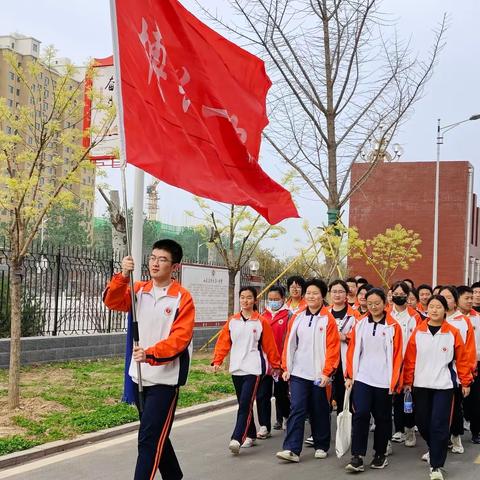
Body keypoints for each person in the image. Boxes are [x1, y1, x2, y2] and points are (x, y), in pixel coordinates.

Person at [103, 239, 195, 480]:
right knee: (155, 435)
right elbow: (112, 301)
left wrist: (151, 353)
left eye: (162, 259)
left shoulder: (182, 298)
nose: (155, 263)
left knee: (148, 440)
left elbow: (180, 339)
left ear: (174, 266)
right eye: (153, 257)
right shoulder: (138, 289)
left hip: (164, 381)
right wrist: (123, 275)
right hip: (139, 377)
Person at [403, 295, 472, 480]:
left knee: (440, 424)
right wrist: (407, 382)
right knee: (423, 422)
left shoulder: (452, 332)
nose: (434, 310)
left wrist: (465, 382)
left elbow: (462, 359)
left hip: (444, 386)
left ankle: (436, 466)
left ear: (445, 310)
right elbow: (410, 360)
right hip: (421, 385)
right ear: (427, 310)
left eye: (438, 307)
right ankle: (434, 446)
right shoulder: (418, 332)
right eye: (431, 307)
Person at [276, 279, 340, 463]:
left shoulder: (328, 319)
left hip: (319, 374)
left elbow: (333, 348)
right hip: (298, 372)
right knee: (297, 408)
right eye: (309, 293)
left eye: (315, 293)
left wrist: (327, 372)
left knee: (319, 409)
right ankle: (291, 449)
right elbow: (290, 343)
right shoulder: (297, 317)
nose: (311, 296)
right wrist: (286, 367)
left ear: (322, 296)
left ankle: (321, 445)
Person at [212, 286, 281, 455]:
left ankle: (237, 437)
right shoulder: (233, 321)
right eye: (242, 297)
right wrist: (217, 360)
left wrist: (276, 365)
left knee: (245, 403)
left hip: (253, 369)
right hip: (236, 369)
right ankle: (250, 433)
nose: (245, 300)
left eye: (249, 297)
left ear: (255, 300)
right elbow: (224, 342)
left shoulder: (261, 321)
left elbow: (270, 345)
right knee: (244, 403)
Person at [344, 288, 403, 473]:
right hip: (363, 377)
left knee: (382, 418)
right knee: (360, 414)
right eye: (369, 304)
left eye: (377, 303)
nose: (373, 307)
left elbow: (398, 355)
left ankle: (379, 454)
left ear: (385, 303)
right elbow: (353, 350)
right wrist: (349, 375)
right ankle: (357, 456)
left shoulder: (393, 327)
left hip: (384, 380)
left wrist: (395, 382)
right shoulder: (360, 324)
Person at [439, 285, 477, 454]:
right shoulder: (434, 317)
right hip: (434, 374)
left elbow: (468, 351)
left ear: (455, 300)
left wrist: (466, 376)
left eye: (448, 297)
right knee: (437, 412)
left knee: (454, 409)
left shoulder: (463, 321)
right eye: (441, 297)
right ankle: (438, 443)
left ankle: (455, 436)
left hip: (455, 373)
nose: (445, 300)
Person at [388, 281, 422, 447]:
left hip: (408, 362)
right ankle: (398, 429)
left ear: (408, 296)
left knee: (407, 397)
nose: (399, 297)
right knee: (392, 398)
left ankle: (409, 428)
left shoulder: (415, 317)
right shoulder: (387, 314)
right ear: (391, 294)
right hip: (389, 363)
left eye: (402, 294)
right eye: (396, 294)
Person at [256, 286, 291, 437]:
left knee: (281, 394)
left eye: (276, 299)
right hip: (264, 362)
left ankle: (285, 416)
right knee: (262, 395)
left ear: (283, 298)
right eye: (270, 299)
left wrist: (285, 362)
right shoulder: (262, 316)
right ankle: (264, 425)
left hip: (280, 363)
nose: (273, 302)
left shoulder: (289, 316)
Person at [327, 279, 359, 415]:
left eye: (341, 291)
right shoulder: (324, 313)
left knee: (343, 396)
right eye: (334, 291)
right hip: (327, 359)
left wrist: (346, 337)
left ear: (346, 294)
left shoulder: (355, 315)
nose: (337, 294)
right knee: (324, 395)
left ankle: (344, 430)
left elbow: (359, 337)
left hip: (345, 360)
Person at [457, 285, 480, 444]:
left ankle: (476, 431)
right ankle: (455, 433)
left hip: (476, 364)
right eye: (467, 298)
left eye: (472, 298)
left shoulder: (477, 317)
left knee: (476, 400)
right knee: (458, 401)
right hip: (455, 364)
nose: (470, 301)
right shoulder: (451, 318)